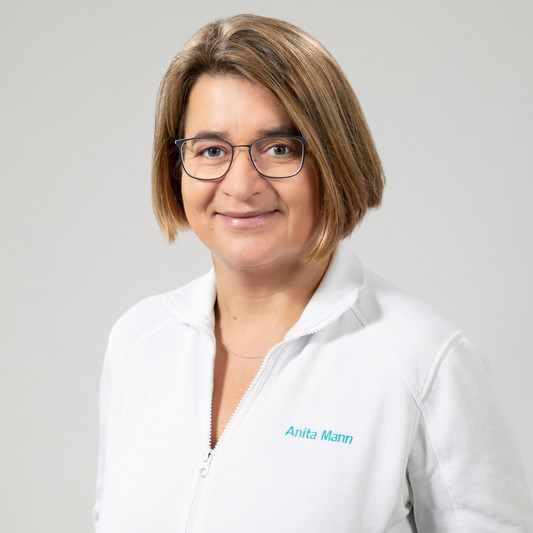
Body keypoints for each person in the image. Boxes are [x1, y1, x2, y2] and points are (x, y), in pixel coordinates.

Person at [93, 14, 533, 533]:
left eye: (279, 148)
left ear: (333, 159)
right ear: (177, 167)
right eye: (211, 150)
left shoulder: (423, 361)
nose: (241, 185)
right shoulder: (138, 343)